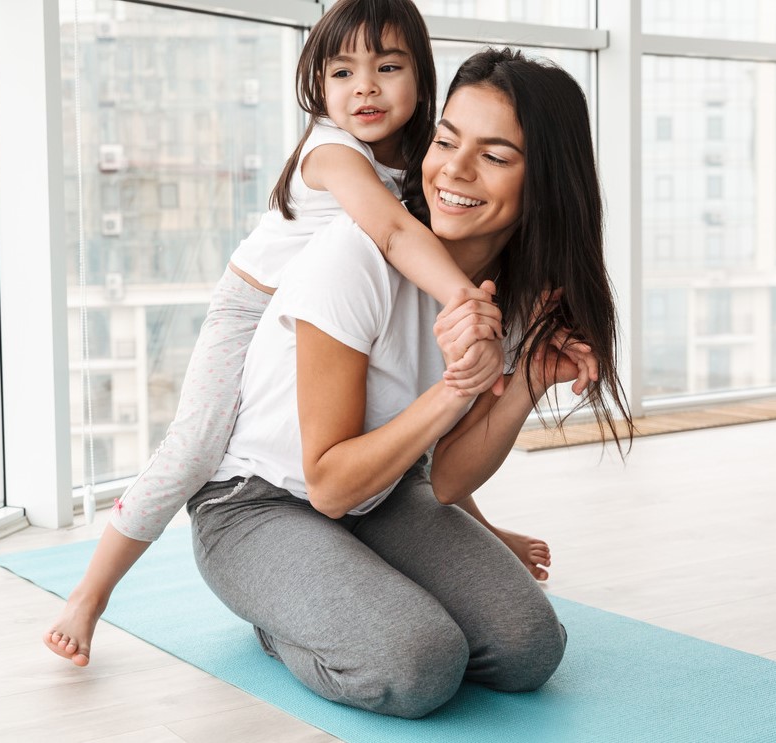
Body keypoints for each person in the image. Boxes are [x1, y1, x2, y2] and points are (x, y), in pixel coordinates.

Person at [45, 0, 515, 665]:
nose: (366, 88)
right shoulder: (332, 150)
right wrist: (466, 301)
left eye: (388, 67)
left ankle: (477, 531)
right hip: (248, 311)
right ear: (318, 85)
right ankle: (89, 594)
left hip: (315, 312)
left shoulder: (421, 161)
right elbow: (390, 231)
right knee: (192, 447)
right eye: (343, 72)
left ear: (421, 76)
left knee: (413, 415)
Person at [185, 48, 634, 718]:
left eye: (494, 155)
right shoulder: (353, 257)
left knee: (527, 648)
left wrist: (526, 381)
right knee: (418, 663)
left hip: (385, 496)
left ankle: (348, 594)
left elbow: (446, 481)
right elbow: (330, 484)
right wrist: (455, 388)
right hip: (257, 505)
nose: (452, 168)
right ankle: (283, 622)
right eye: (445, 140)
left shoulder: (514, 293)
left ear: (544, 182)